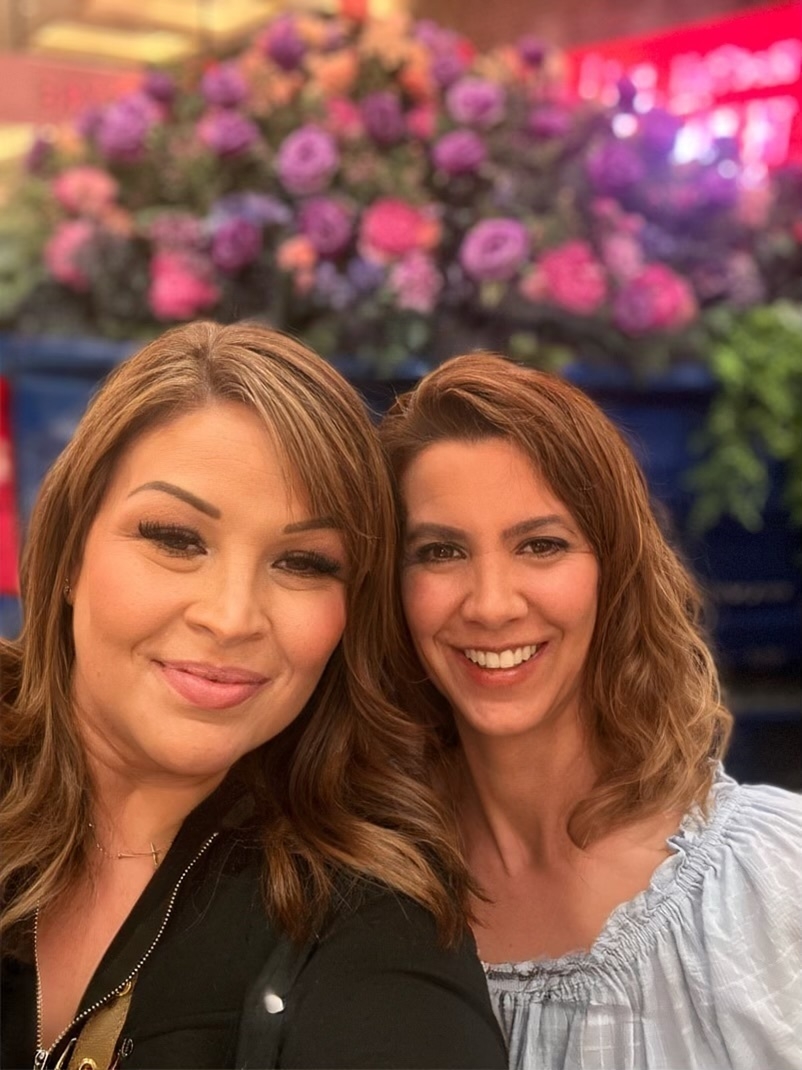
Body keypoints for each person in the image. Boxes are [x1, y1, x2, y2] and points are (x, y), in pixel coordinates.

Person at [0, 323, 508, 1070]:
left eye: (303, 562)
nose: (232, 617)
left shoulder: (374, 920)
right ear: (71, 549)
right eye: (176, 539)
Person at [379, 352, 802, 1070]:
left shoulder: (772, 880)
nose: (491, 604)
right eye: (441, 551)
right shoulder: (356, 895)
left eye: (541, 545)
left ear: (615, 571)